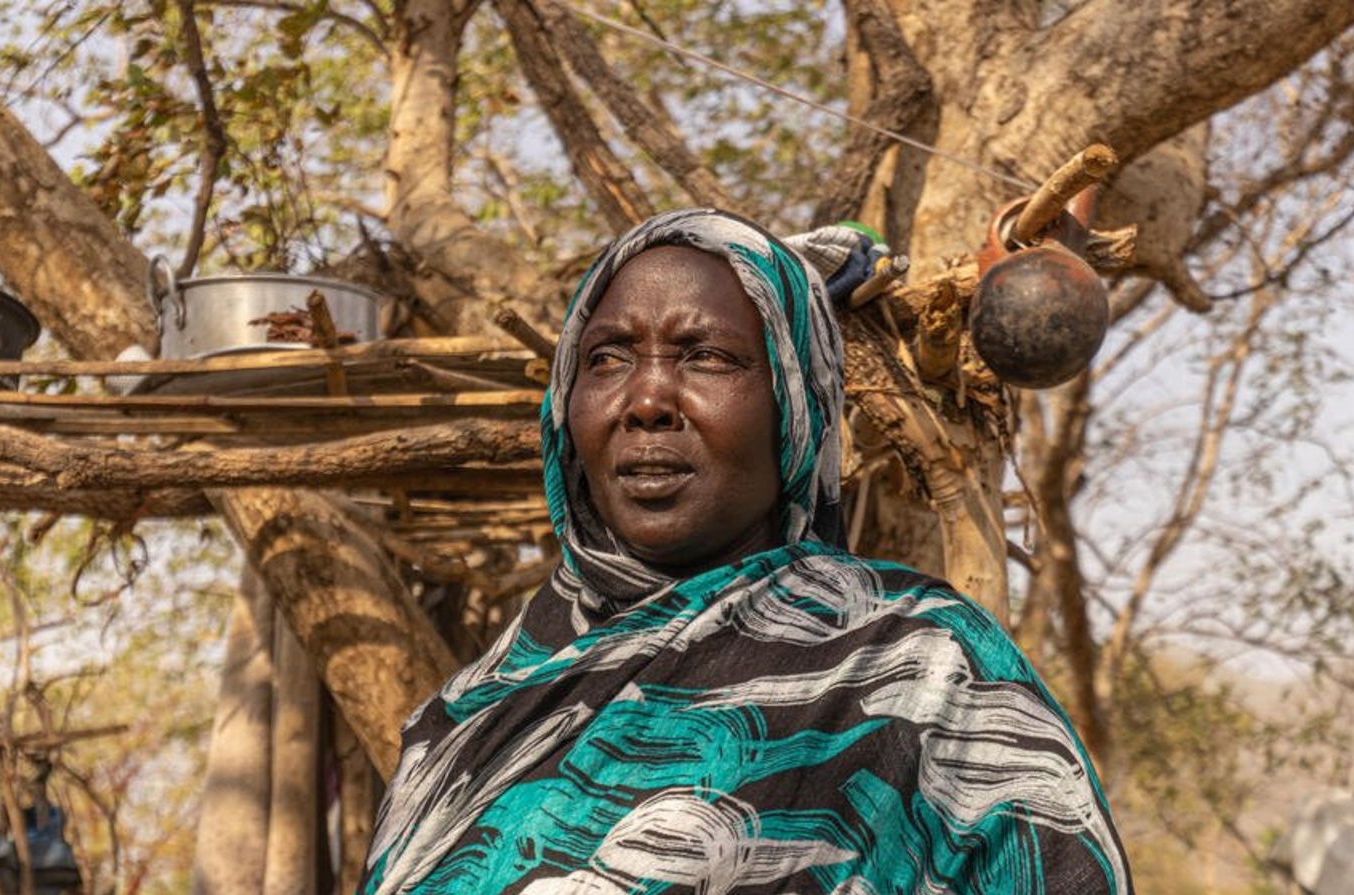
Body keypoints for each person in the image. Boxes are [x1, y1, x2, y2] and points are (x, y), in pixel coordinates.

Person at [359, 209, 1130, 894]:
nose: (648, 400)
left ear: (793, 408)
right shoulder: (466, 717)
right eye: (607, 358)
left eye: (707, 357)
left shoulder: (924, 666)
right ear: (565, 404)